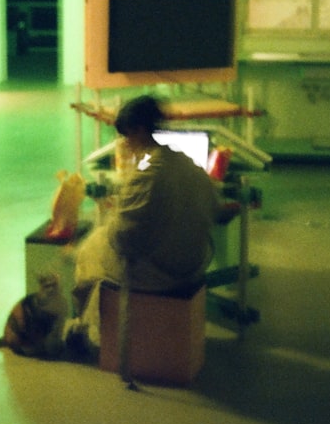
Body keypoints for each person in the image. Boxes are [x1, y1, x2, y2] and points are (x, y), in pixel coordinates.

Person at [67, 94, 238, 354]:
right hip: (194, 262)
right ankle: (90, 323)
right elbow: (213, 208)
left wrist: (117, 212)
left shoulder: (148, 173)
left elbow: (122, 239)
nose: (125, 141)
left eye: (126, 135)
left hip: (160, 273)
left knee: (90, 250)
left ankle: (89, 330)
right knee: (97, 243)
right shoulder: (184, 162)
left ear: (139, 130)